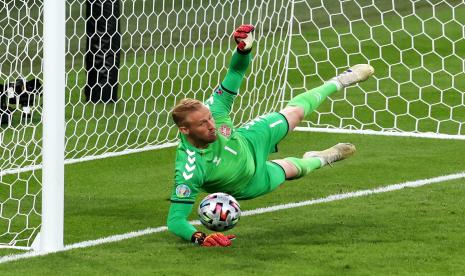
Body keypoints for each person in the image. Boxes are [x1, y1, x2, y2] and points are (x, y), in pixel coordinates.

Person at [167, 24, 374, 247]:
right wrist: (200, 237)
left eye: (210, 118)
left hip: (248, 139)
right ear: (185, 130)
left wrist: (243, 51)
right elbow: (175, 220)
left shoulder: (215, 109)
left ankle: (339, 81)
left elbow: (236, 71)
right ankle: (323, 157)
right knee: (295, 169)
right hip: (249, 182)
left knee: (294, 113)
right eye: (202, 124)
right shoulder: (190, 167)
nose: (211, 125)